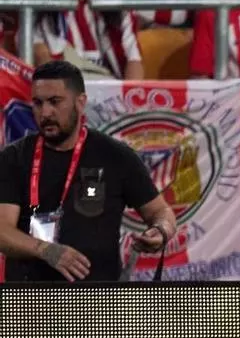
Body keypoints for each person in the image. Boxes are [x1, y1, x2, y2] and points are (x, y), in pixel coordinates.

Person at [0, 61, 176, 282]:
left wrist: (161, 230)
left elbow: (160, 211)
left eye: (55, 102)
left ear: (80, 103)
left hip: (97, 297)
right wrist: (46, 250)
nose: (45, 112)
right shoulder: (14, 158)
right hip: (29, 296)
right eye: (38, 103)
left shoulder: (115, 156)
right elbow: (2, 230)